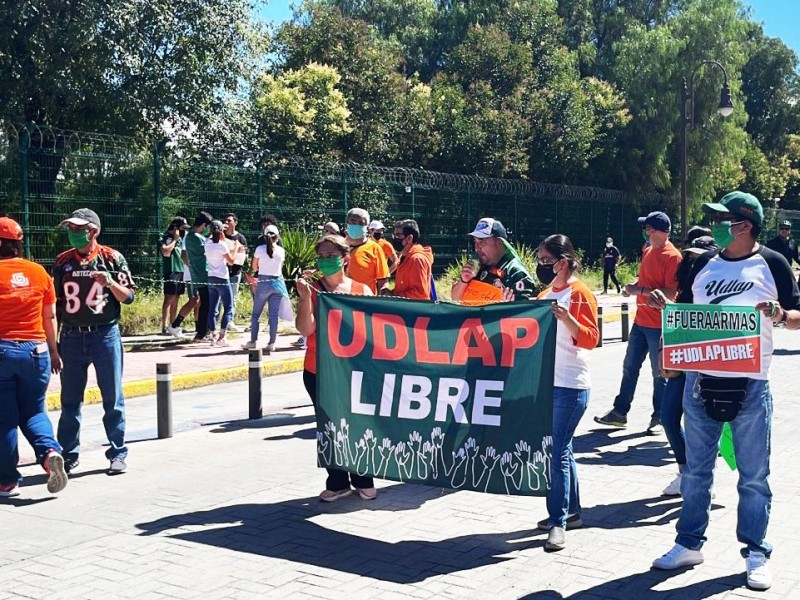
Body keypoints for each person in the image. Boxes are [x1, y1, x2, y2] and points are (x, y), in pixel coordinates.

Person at [650, 191, 800, 591]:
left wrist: (781, 315)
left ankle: (755, 551)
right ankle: (688, 543)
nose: (715, 224)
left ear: (745, 225)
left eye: (723, 219)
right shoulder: (702, 265)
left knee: (753, 476)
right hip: (700, 383)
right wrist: (670, 357)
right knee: (696, 472)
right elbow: (685, 316)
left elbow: (797, 315)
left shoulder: (772, 263)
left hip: (751, 386)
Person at [53, 208, 135, 475]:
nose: (74, 234)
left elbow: (128, 297)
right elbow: (55, 304)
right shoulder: (62, 262)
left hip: (104, 334)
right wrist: (53, 345)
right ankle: (68, 453)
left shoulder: (112, 258)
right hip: (72, 336)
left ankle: (117, 452)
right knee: (70, 401)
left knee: (112, 397)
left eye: (79, 229)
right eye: (71, 229)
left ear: (94, 231)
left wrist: (110, 283)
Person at [295, 234, 377, 502]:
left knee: (357, 421)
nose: (326, 260)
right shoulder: (313, 289)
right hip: (318, 370)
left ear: (345, 258)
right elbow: (306, 329)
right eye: (322, 256)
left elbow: (372, 332)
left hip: (353, 371)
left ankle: (363, 477)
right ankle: (338, 481)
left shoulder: (362, 291)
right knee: (329, 425)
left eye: (331, 256)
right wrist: (305, 298)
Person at [533, 234, 599, 552]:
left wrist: (568, 319)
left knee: (555, 452)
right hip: (549, 383)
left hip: (571, 385)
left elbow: (591, 338)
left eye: (546, 260)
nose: (541, 266)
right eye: (540, 260)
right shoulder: (546, 293)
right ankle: (570, 512)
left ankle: (557, 523)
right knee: (563, 450)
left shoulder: (580, 293)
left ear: (563, 261)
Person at [594, 211, 682, 435]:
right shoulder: (648, 250)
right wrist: (634, 286)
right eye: (646, 229)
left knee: (660, 373)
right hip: (641, 322)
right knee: (629, 368)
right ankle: (619, 413)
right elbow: (645, 280)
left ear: (660, 231)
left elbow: (671, 293)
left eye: (649, 229)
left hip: (659, 326)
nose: (646, 233)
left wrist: (639, 290)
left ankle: (660, 418)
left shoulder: (673, 257)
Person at [0, 217, 68, 497]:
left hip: (2, 351)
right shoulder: (39, 272)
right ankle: (49, 452)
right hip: (37, 351)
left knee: (4, 419)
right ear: (18, 243)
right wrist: (54, 351)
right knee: (34, 411)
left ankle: (7, 481)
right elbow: (49, 316)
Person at [653, 235, 719, 497]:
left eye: (698, 256)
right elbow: (677, 321)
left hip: (708, 366)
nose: (692, 261)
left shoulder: (715, 287)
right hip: (682, 363)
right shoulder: (687, 288)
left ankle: (704, 478)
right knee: (668, 417)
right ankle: (684, 471)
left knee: (703, 425)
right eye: (689, 256)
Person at [451, 217, 536, 304]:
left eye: (482, 241)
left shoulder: (516, 273)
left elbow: (525, 311)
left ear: (499, 242)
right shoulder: (478, 266)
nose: (477, 248)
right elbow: (455, 299)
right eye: (475, 242)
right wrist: (464, 281)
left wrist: (505, 306)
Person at [244, 224, 289, 352]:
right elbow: (281, 267)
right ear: (278, 237)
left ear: (264, 236)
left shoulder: (259, 249)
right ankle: (272, 343)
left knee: (256, 314)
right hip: (277, 282)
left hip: (264, 281)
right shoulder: (281, 250)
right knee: (273, 314)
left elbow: (254, 267)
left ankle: (253, 341)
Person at [204, 220, 239, 347]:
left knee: (212, 308)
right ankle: (222, 337)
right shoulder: (222, 245)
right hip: (222, 279)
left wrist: (219, 229)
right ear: (220, 231)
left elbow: (211, 237)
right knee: (228, 307)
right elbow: (231, 261)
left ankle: (213, 335)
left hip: (211, 277)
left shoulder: (207, 243)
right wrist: (235, 247)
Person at [383, 219, 433, 299]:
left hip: (413, 310)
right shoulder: (404, 258)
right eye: (394, 235)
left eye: (398, 235)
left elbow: (419, 294)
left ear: (409, 238)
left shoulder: (416, 260)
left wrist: (393, 296)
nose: (394, 239)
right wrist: (390, 293)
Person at [344, 208, 390, 294]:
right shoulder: (337, 246)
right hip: (338, 302)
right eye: (353, 222)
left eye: (361, 223)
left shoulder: (375, 249)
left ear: (367, 227)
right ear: (346, 224)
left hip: (364, 302)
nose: (357, 225)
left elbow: (383, 281)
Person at [184, 212, 213, 342]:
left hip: (196, 274)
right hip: (203, 274)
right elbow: (209, 249)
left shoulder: (189, 236)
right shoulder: (197, 238)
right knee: (206, 304)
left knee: (204, 303)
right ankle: (202, 333)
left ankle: (202, 331)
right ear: (203, 225)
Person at [159, 217, 188, 334]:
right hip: (171, 270)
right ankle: (164, 326)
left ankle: (173, 325)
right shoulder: (165, 237)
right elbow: (165, 251)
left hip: (181, 270)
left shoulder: (182, 239)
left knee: (176, 298)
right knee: (168, 298)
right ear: (176, 228)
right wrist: (175, 240)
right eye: (182, 228)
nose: (184, 231)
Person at [222, 213, 247, 331]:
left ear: (235, 223)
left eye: (229, 220)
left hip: (236, 270)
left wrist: (234, 253)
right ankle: (220, 320)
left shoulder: (241, 238)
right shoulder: (221, 236)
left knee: (233, 296)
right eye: (225, 221)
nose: (226, 223)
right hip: (222, 270)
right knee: (221, 297)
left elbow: (244, 254)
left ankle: (230, 321)